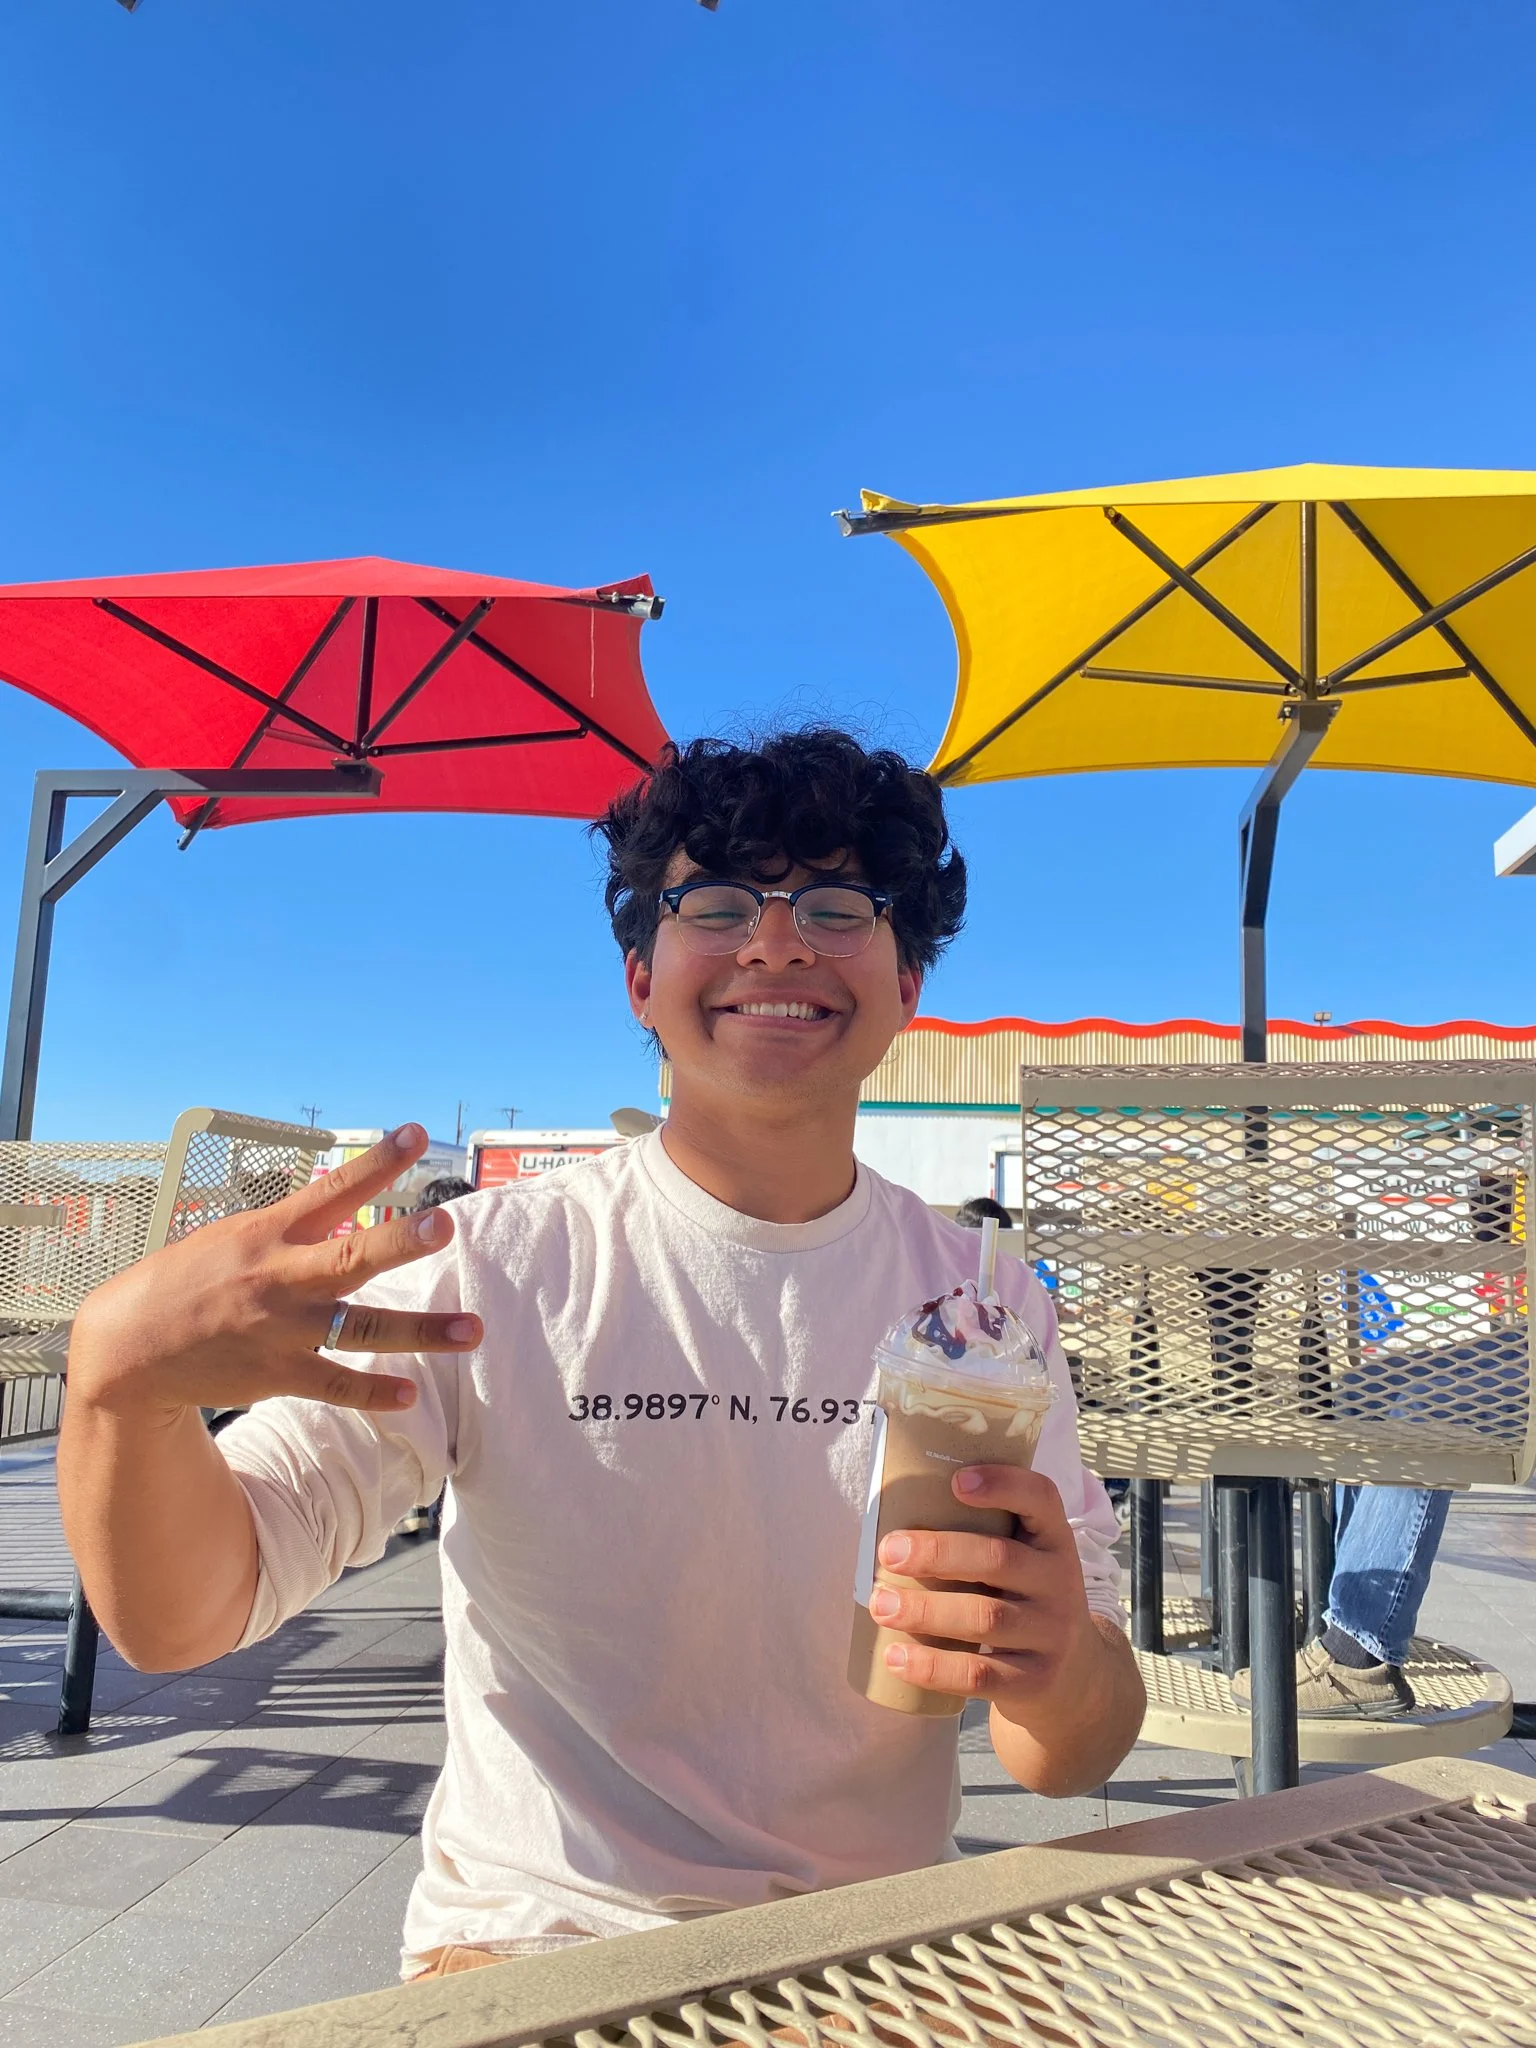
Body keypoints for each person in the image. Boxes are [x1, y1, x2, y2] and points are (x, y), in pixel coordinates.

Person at [58, 728, 1143, 1982]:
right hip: (532, 1935)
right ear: (640, 978)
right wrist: (120, 1387)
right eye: (716, 905)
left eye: (838, 907)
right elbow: (185, 1615)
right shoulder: (491, 1263)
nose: (775, 944)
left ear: (908, 985)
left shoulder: (985, 1306)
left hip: (876, 1944)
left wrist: (1057, 1661)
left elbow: (1068, 1752)